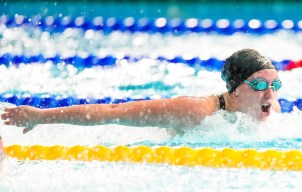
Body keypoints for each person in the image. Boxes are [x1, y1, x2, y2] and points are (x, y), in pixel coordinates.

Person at [0, 48, 282, 134]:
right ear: (233, 91)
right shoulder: (196, 111)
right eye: (259, 85)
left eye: (275, 85)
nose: (269, 93)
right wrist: (41, 115)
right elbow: (112, 112)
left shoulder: (271, 110)